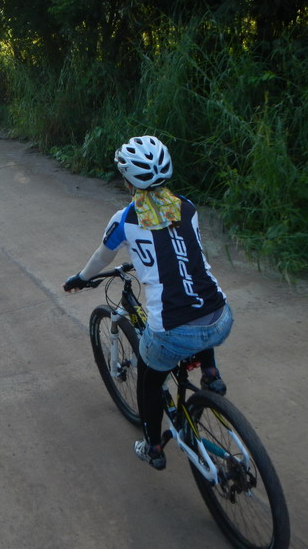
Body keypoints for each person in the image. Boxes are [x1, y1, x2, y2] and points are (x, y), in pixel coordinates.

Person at [62, 135, 233, 471]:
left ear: (128, 181)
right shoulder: (188, 207)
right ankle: (211, 373)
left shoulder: (125, 219)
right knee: (195, 298)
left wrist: (81, 278)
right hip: (221, 316)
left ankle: (153, 446)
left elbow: (102, 256)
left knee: (149, 381)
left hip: (172, 331)